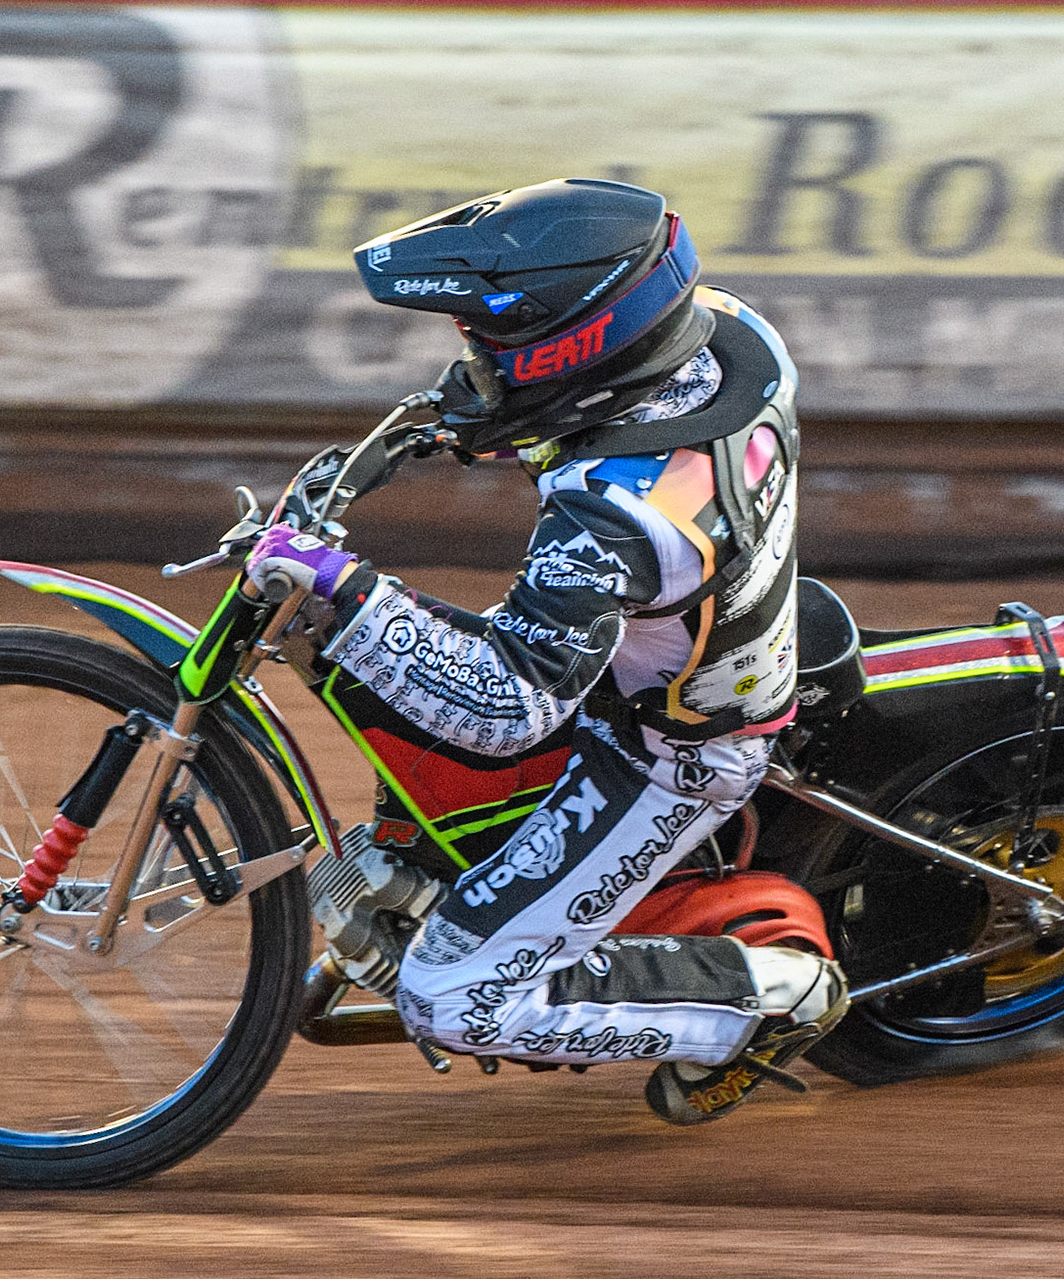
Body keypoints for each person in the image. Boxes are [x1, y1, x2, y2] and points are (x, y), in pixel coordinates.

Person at [245, 178, 847, 1124]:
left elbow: (507, 710)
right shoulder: (729, 336)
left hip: (673, 753)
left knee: (450, 994)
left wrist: (351, 595)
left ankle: (764, 995)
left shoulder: (610, 518)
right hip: (690, 645)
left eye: (493, 350)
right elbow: (564, 414)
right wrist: (463, 414)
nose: (477, 363)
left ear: (576, 346)